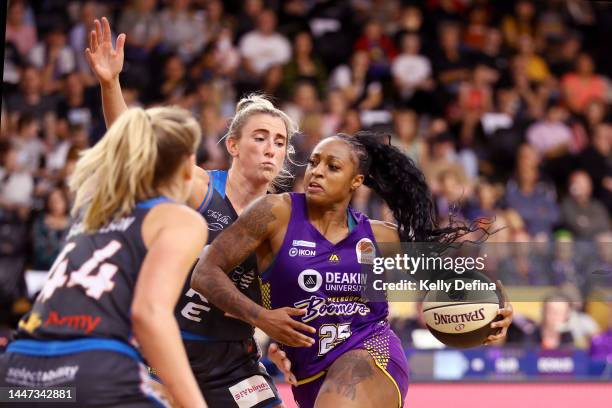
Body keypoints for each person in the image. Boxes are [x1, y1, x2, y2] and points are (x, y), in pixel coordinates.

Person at [192, 132, 514, 407]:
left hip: (371, 351)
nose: (317, 172)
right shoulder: (275, 213)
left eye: (333, 167)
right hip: (307, 375)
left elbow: (451, 279)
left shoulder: (381, 236)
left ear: (355, 182)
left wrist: (496, 307)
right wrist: (261, 318)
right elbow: (206, 272)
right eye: (314, 162)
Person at [86, 17, 310, 407]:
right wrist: (110, 84)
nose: (271, 148)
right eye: (260, 138)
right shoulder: (200, 187)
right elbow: (132, 147)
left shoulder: (285, 215)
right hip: (168, 353)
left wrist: (283, 346)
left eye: (280, 142)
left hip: (236, 363)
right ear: (234, 146)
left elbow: (291, 295)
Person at [0, 105, 208, 407]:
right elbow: (149, 314)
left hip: (18, 376)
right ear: (189, 165)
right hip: (91, 369)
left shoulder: (95, 217)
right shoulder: (177, 219)